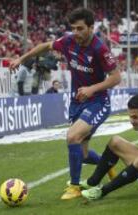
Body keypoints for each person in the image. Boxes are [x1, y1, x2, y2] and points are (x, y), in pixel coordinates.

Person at [9, 8, 121, 200]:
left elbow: (116, 78)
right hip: (77, 102)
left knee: (72, 137)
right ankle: (107, 164)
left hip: (97, 102)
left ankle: (75, 187)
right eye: (73, 28)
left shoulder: (100, 49)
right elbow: (45, 46)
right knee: (83, 154)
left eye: (80, 28)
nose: (75, 33)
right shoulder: (68, 41)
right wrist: (21, 58)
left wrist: (92, 89)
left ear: (91, 28)